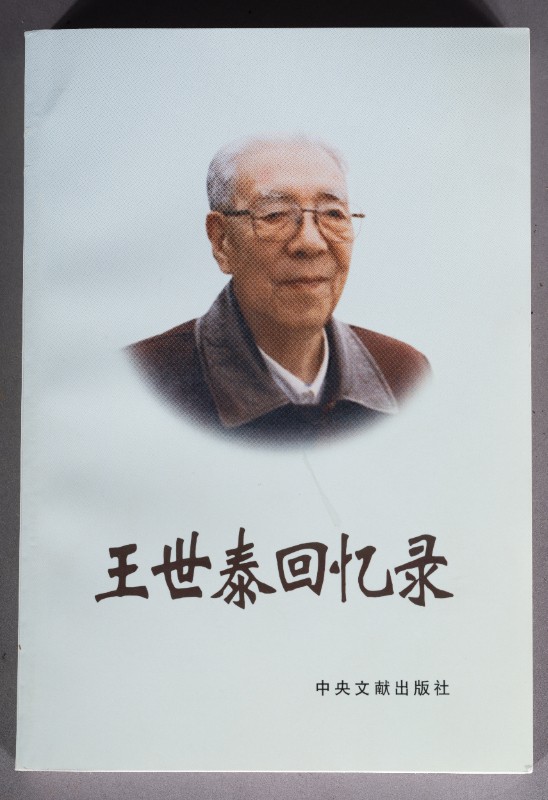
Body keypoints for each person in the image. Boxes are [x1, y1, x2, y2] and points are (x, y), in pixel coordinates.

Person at [127, 135, 430, 445]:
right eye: (275, 215)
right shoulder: (142, 380)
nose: (311, 242)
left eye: (332, 214)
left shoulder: (403, 373)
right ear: (221, 241)